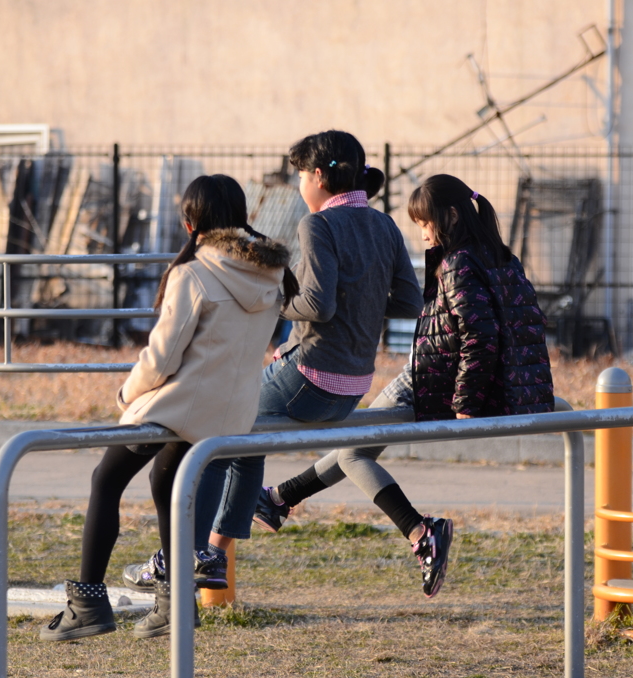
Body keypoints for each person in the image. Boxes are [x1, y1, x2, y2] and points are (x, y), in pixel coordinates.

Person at [124, 130, 423, 592]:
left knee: (219, 430)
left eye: (301, 174)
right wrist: (362, 303)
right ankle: (212, 555)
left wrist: (276, 304)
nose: (300, 183)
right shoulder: (383, 224)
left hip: (311, 373)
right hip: (353, 384)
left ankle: (179, 557)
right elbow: (407, 300)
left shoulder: (317, 224)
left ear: (320, 176)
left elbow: (318, 306)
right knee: (244, 443)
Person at [254, 173, 555, 598]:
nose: (423, 234)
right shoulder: (501, 256)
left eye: (425, 223)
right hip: (481, 379)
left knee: (356, 448)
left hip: (434, 376)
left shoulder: (457, 263)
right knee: (357, 448)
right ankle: (281, 498)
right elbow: (524, 327)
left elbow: (479, 334)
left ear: (450, 217)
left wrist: (466, 398)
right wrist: (531, 388)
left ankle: (419, 531)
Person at [40, 174, 297, 642]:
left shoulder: (193, 274)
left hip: (176, 409)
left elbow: (161, 358)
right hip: (230, 415)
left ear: (190, 220)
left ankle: (87, 604)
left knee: (106, 478)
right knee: (165, 482)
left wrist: (127, 395)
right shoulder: (271, 273)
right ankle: (174, 603)